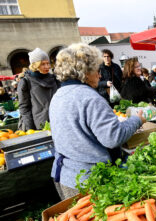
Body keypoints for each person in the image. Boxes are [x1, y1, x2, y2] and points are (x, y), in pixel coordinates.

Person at [49, 43, 146, 200]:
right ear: (85, 72)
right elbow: (113, 138)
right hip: (89, 181)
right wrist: (137, 120)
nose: (100, 75)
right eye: (97, 70)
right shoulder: (89, 98)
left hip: (65, 176)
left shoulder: (58, 95)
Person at [17, 48, 59, 131]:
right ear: (35, 65)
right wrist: (31, 129)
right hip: (40, 126)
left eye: (48, 63)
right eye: (43, 64)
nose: (47, 66)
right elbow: (24, 108)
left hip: (59, 121)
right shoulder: (26, 81)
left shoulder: (55, 79)